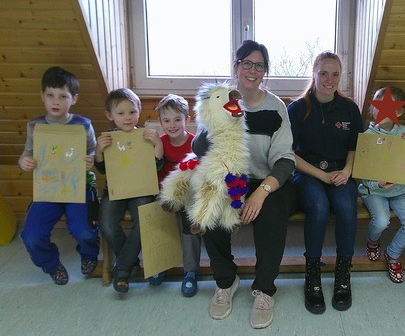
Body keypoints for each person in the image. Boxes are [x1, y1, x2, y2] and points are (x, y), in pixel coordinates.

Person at [195, 40, 296, 329]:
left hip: (268, 181)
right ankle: (226, 282)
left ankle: (264, 290)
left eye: (259, 65)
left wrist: (262, 192)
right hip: (229, 179)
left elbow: (285, 159)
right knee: (211, 210)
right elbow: (199, 149)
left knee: (271, 215)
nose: (253, 70)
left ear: (265, 71)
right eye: (247, 63)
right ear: (236, 66)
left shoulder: (276, 107)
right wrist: (214, 123)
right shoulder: (219, 100)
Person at [287, 51, 363, 314]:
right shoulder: (297, 109)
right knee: (318, 206)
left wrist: (347, 171)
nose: (329, 79)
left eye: (335, 74)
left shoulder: (349, 108)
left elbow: (355, 147)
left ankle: (343, 274)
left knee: (346, 207)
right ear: (314, 74)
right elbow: (290, 155)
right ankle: (313, 275)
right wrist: (321, 176)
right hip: (307, 174)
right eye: (323, 73)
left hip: (340, 173)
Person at [18, 66, 99, 285]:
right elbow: (27, 153)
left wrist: (91, 158)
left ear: (74, 99)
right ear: (42, 97)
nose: (56, 101)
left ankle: (89, 254)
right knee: (31, 235)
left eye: (63, 96)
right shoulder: (36, 126)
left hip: (77, 187)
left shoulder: (83, 124)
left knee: (84, 231)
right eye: (50, 95)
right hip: (48, 190)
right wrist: (24, 161)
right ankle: (51, 264)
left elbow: (93, 149)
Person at [94, 88, 164, 293]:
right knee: (106, 223)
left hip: (142, 189)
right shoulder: (108, 138)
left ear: (139, 111)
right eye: (121, 113)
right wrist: (98, 151)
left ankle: (122, 269)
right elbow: (101, 169)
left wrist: (157, 143)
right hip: (115, 189)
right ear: (110, 115)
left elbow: (158, 165)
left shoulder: (145, 135)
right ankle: (130, 263)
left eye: (132, 112)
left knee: (144, 222)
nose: (127, 117)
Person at [359, 86, 405, 284]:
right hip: (373, 191)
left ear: (399, 112)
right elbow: (361, 173)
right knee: (381, 221)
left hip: (399, 191)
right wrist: (377, 182)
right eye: (378, 105)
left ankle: (392, 254)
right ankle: (373, 242)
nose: (382, 111)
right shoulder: (367, 136)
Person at [147, 94, 200, 297]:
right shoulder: (158, 143)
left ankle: (190, 271)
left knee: (190, 222)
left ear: (187, 120)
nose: (172, 125)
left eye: (177, 119)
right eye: (166, 120)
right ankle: (159, 264)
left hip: (187, 194)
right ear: (160, 122)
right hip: (163, 195)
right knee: (158, 219)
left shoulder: (195, 143)